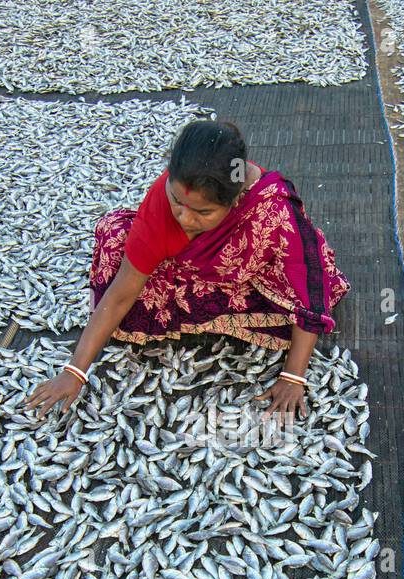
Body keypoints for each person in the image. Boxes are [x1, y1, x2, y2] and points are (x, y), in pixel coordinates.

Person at [25, 118, 349, 422]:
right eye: (177, 200)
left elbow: (307, 284)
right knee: (114, 244)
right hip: (193, 274)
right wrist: (75, 371)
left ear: (235, 200)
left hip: (249, 279)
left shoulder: (271, 210)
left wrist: (293, 376)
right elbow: (123, 291)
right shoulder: (163, 200)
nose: (183, 216)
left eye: (203, 212)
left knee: (299, 311)